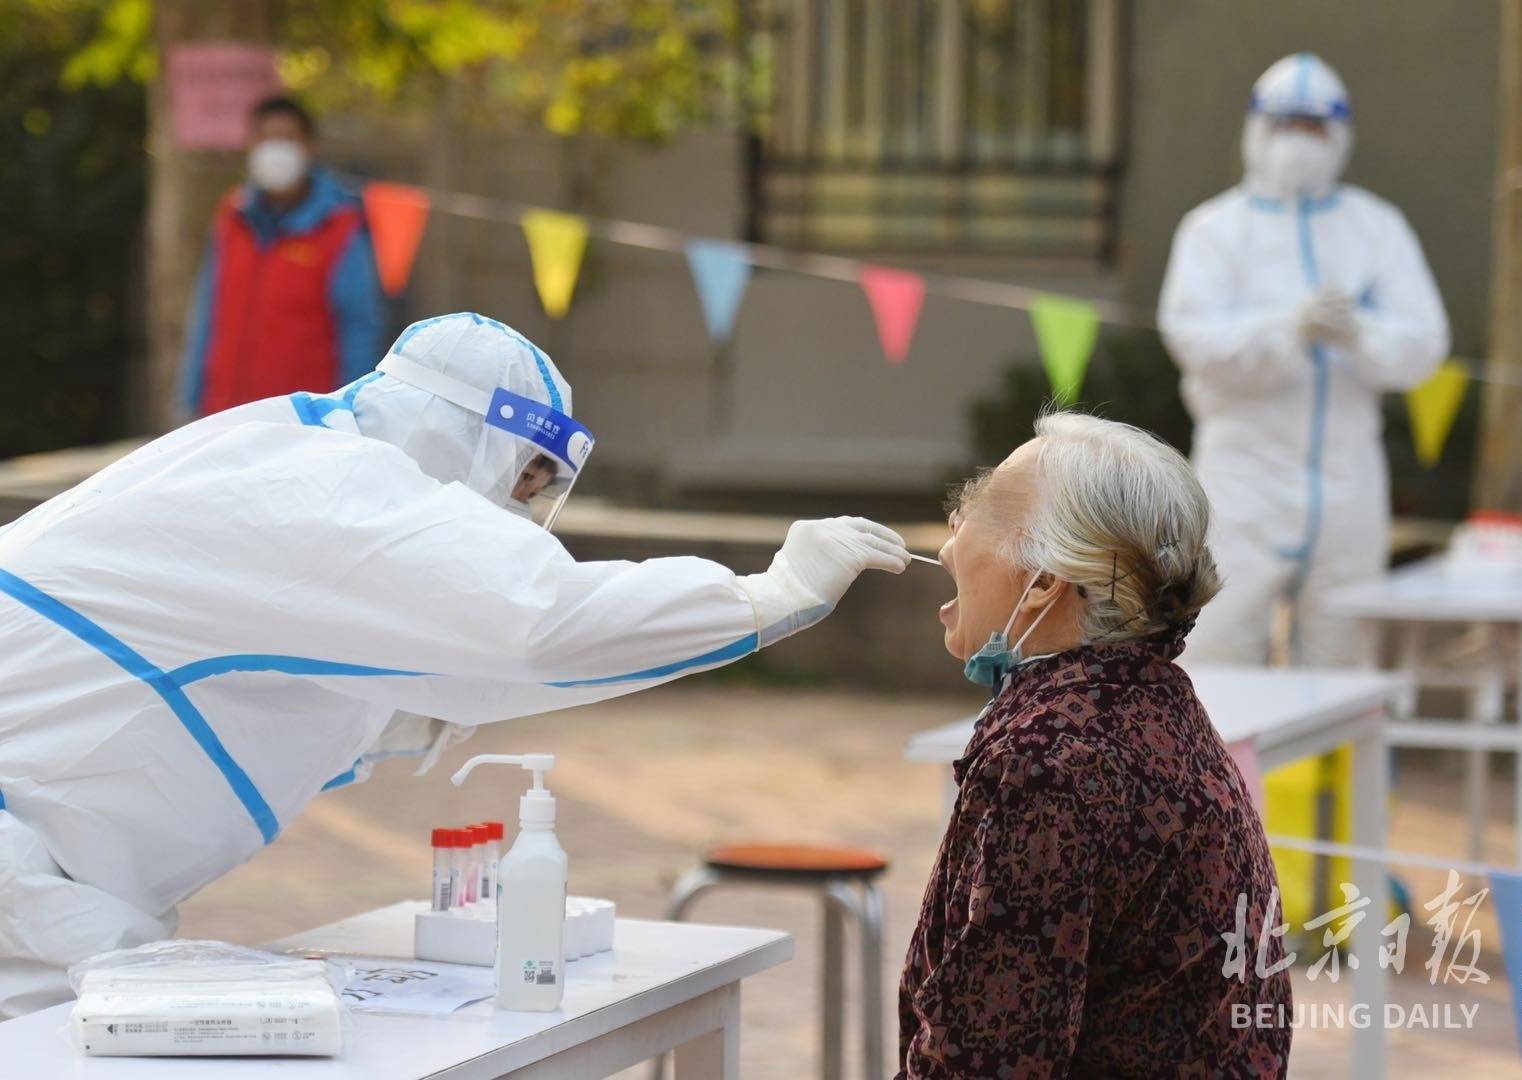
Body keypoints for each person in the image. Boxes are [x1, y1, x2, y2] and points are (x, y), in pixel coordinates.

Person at [0, 312, 909, 1018]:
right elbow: (536, 622)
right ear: (465, 429)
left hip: (47, 866)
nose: (522, 504)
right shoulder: (333, 492)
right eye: (523, 475)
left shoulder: (293, 455)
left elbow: (344, 675)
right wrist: (764, 595)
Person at [899, 412, 1291, 1077]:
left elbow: (988, 1058)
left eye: (978, 512)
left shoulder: (1048, 763)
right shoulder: (1154, 704)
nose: (947, 544)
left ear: (1044, 582)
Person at [1157, 53, 1450, 668]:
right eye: (1285, 125)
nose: (1299, 141)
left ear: (1340, 135)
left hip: (1349, 480)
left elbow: (1425, 342)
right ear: (1256, 130)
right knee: (1217, 651)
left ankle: (1338, 740)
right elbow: (1193, 338)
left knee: (1345, 658)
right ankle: (1217, 740)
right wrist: (1287, 330)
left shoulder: (1375, 226)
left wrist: (1359, 333)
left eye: (1314, 127)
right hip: (1243, 479)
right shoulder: (1214, 230)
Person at [175, 95, 384, 421]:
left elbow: (359, 329)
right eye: (266, 138)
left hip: (299, 424)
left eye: (287, 138)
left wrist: (350, 413)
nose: (276, 150)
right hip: (224, 417)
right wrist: (190, 398)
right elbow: (208, 311)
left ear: (309, 147)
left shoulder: (339, 228)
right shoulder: (233, 217)